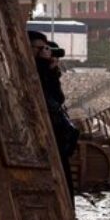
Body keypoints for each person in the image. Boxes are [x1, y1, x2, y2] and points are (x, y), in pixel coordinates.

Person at [28, 32, 79, 208]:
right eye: (40, 48)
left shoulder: (46, 72)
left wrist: (52, 72)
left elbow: (58, 98)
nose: (44, 52)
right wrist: (44, 68)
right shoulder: (28, 70)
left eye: (46, 48)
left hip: (54, 137)